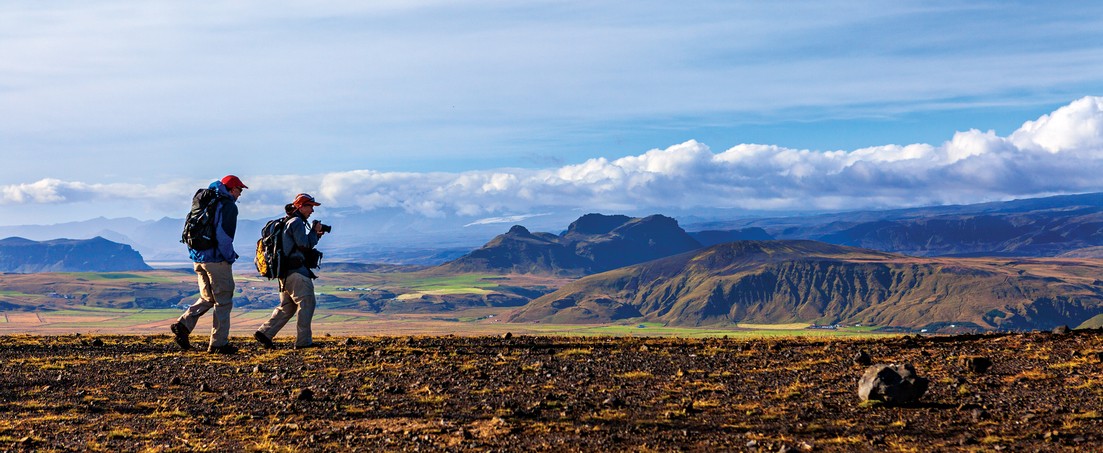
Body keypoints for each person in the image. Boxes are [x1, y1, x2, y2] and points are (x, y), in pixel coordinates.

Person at [170, 175, 247, 354]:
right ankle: (219, 344)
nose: (240, 194)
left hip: (199, 258)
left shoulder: (206, 201)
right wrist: (229, 257)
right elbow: (224, 237)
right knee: (223, 302)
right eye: (239, 189)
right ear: (231, 189)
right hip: (216, 261)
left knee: (207, 298)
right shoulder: (227, 205)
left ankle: (183, 325)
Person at [254, 193, 327, 349]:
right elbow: (304, 244)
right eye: (310, 207)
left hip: (284, 273)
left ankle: (265, 332)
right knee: (307, 303)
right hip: (297, 272)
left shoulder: (287, 221)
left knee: (288, 306)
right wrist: (314, 232)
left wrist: (314, 234)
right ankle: (304, 342)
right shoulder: (296, 222)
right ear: (300, 206)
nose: (312, 211)